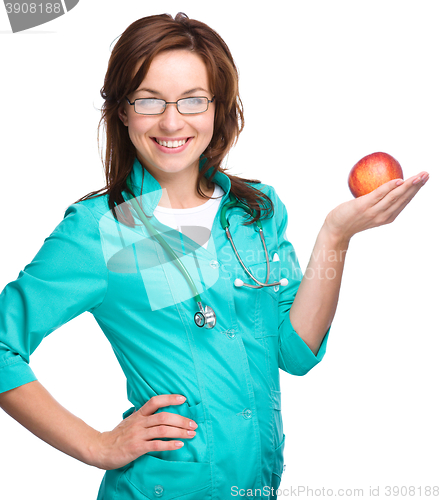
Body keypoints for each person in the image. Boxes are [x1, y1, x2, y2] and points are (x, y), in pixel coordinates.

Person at [0, 12, 429, 500]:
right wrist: (96, 445)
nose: (171, 121)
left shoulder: (255, 211)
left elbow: (294, 353)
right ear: (122, 111)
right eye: (148, 100)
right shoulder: (104, 230)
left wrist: (335, 236)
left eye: (193, 100)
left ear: (218, 108)